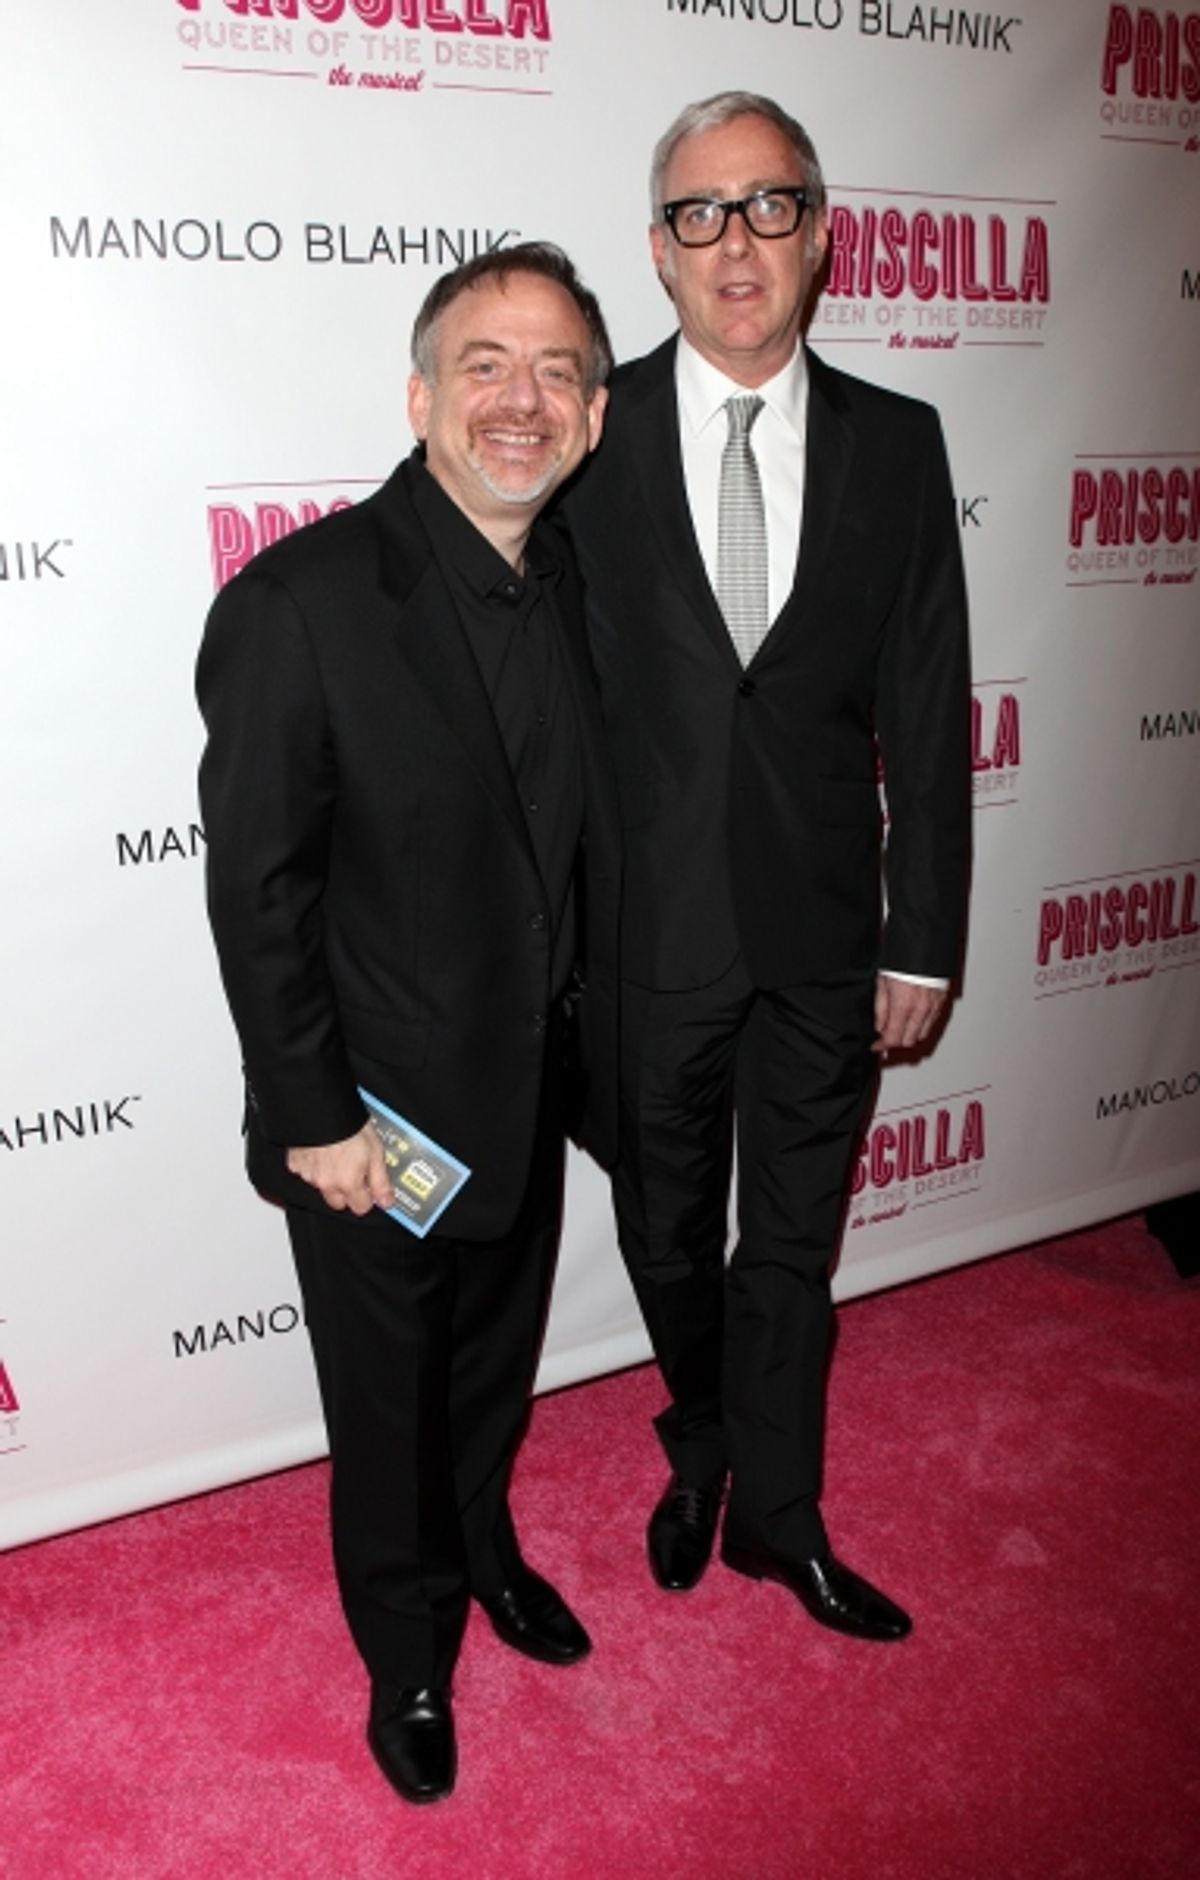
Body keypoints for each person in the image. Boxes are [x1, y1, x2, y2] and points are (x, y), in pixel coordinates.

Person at [196, 243, 617, 1804]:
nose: (524, 399)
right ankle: (409, 1651)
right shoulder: (299, 604)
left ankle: (485, 1547)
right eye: (486, 365)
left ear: (594, 417)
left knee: (493, 1367)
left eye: (560, 372)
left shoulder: (579, 579)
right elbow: (261, 894)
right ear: (421, 396)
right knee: (389, 1408)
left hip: (529, 1081)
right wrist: (316, 1119)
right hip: (375, 1124)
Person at [565, 94, 970, 1640]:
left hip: (822, 932)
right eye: (700, 213)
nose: (736, 243)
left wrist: (922, 938)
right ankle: (705, 1444)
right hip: (643, 931)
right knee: (667, 1236)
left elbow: (927, 704)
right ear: (658, 251)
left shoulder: (899, 443)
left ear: (820, 234)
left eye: (768, 205)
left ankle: (775, 1519)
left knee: (791, 1246)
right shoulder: (587, 429)